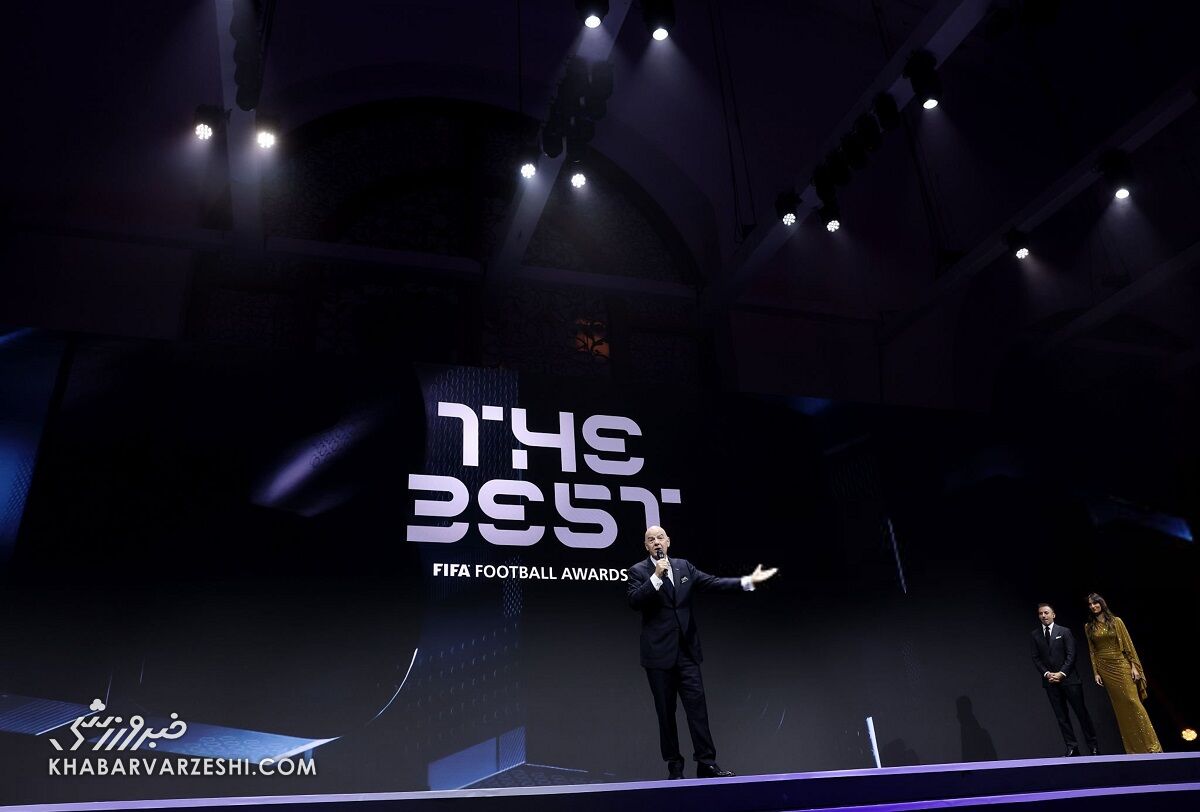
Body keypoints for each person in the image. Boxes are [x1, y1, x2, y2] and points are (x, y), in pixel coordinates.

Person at [626, 525, 778, 780]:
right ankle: (675, 767)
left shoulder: (684, 567)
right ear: (646, 546)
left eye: (660, 537)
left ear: (668, 541)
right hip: (658, 656)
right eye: (651, 539)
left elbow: (713, 583)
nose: (656, 542)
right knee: (666, 714)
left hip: (687, 653)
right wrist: (656, 576)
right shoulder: (638, 571)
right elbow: (634, 601)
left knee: (698, 711)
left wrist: (748, 582)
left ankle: (706, 763)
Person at [1083, 593, 1162, 754]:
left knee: (1133, 702)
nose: (1093, 606)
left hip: (1121, 663)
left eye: (1095, 603)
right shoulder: (1088, 627)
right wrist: (1096, 672)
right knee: (1121, 709)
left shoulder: (1116, 621)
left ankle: (1152, 746)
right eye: (1090, 604)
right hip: (1105, 668)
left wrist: (1134, 666)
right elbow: (1092, 651)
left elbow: (1127, 644)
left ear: (1101, 603)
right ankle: (1134, 749)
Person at [1030, 602, 1098, 756]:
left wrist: (1062, 673)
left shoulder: (1064, 631)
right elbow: (1036, 658)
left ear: (1053, 615)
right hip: (1050, 683)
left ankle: (1093, 745)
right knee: (1062, 717)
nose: (1043, 616)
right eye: (1040, 613)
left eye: (1046, 612)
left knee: (1081, 714)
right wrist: (1047, 674)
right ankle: (1072, 747)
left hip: (1070, 680)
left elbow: (1071, 654)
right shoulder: (1035, 635)